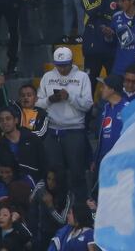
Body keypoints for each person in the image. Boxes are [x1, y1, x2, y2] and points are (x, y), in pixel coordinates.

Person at [36, 47, 94, 196]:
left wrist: (69, 97)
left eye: (65, 65)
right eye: (59, 65)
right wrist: (50, 99)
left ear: (71, 62)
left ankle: (80, 205)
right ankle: (57, 204)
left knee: (77, 172)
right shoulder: (47, 77)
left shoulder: (82, 77)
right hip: (52, 130)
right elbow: (37, 104)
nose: (62, 69)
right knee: (54, 174)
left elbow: (88, 105)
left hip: (75, 130)